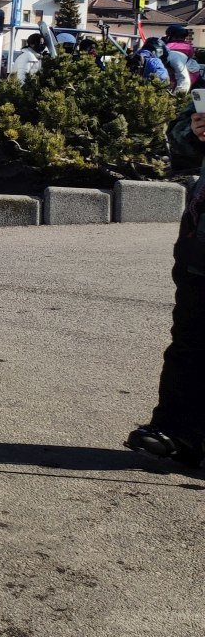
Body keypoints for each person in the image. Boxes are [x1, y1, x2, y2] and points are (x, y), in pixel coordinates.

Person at [126, 104, 205, 469]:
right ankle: (178, 431)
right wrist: (193, 130)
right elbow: (181, 149)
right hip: (199, 241)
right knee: (189, 339)